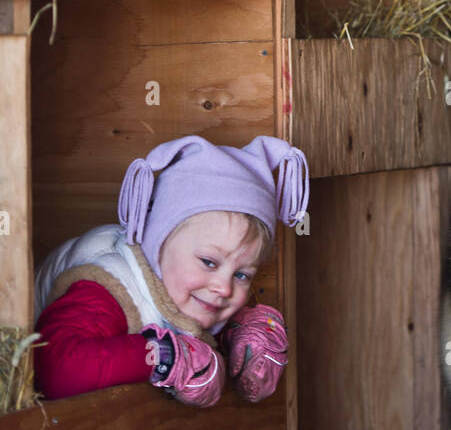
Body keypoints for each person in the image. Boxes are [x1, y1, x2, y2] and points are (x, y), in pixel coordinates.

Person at [33, 134, 309, 407]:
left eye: (242, 275)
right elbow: (55, 371)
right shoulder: (108, 289)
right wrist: (165, 357)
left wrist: (243, 331)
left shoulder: (185, 286)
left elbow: (183, 320)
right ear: (158, 242)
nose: (224, 288)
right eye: (209, 262)